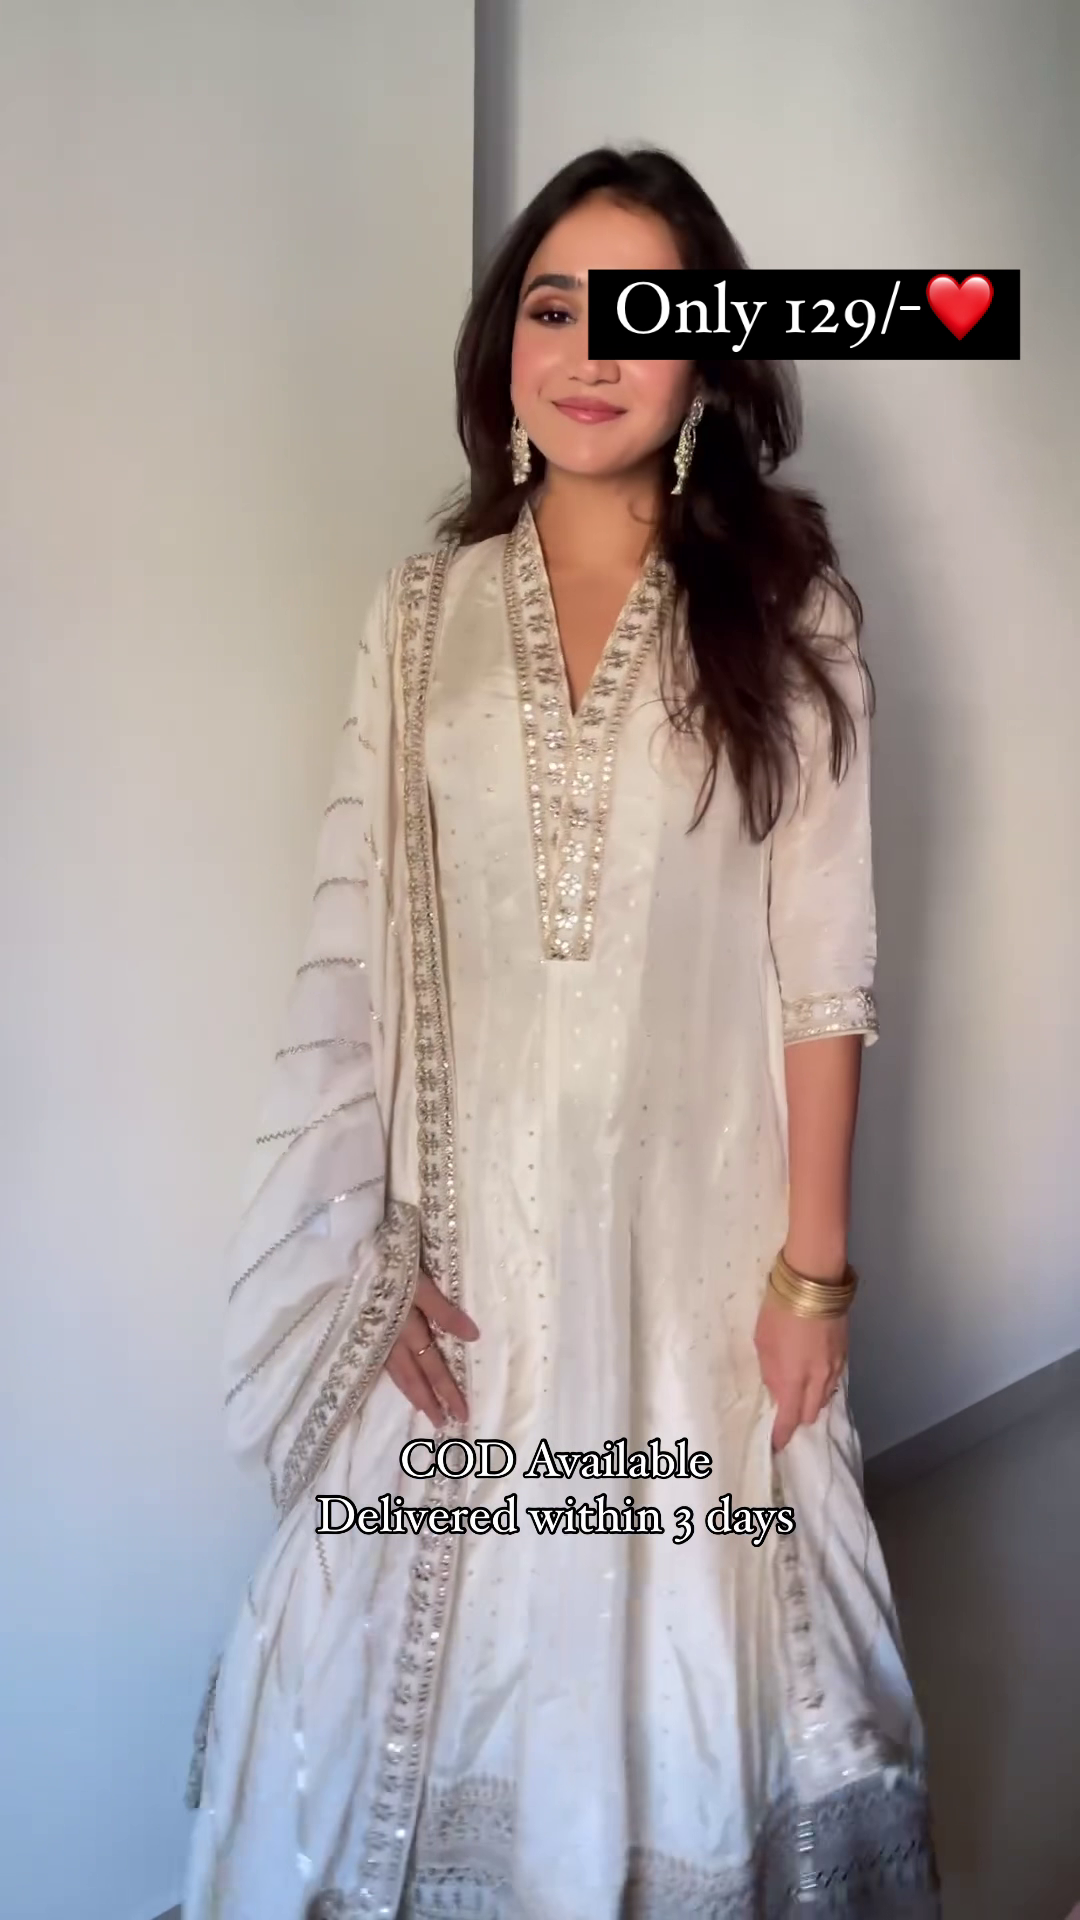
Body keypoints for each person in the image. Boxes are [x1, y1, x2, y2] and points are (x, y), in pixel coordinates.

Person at [182, 146, 941, 1919]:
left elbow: (824, 966)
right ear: (502, 347)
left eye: (640, 312)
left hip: (698, 1272)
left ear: (709, 362)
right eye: (551, 306)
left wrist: (811, 1277)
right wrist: (358, 1256)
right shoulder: (418, 617)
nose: (589, 349)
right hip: (464, 1271)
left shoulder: (791, 613)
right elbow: (350, 949)